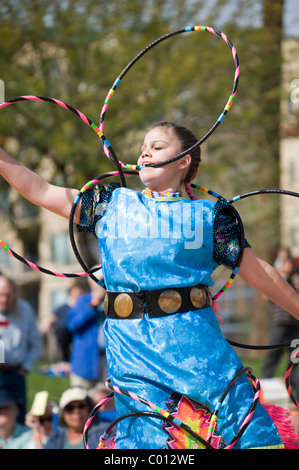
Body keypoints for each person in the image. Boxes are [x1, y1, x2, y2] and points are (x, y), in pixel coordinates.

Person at [0, 122, 299, 449]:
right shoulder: (111, 205)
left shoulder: (207, 216)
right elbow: (41, 190)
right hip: (132, 352)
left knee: (238, 432)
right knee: (147, 441)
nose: (145, 152)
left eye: (157, 147)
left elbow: (258, 273)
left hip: (197, 353)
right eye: (144, 146)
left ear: (184, 161)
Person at [0, 274, 42, 424]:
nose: (4, 300)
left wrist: (26, 366)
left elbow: (36, 344)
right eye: (1, 295)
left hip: (16, 373)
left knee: (18, 416)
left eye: (8, 295)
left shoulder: (24, 310)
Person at [262, 256, 299, 407]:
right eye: (282, 261)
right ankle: (264, 382)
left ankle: (295, 394)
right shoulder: (277, 280)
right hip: (280, 322)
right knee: (273, 352)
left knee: (295, 359)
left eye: (287, 261)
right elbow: (266, 296)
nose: (286, 264)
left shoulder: (295, 280)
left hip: (295, 324)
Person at [66, 278, 107, 389]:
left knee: (105, 402)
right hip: (84, 363)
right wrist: (94, 303)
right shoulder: (82, 301)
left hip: (105, 362)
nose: (101, 284)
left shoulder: (112, 301)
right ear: (91, 284)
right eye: (98, 281)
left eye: (103, 280)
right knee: (82, 400)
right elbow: (73, 324)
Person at [40, 281, 87, 362]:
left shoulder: (84, 308)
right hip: (63, 334)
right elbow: (52, 317)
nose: (77, 296)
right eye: (75, 293)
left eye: (79, 294)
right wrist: (46, 323)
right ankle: (64, 358)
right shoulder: (64, 307)